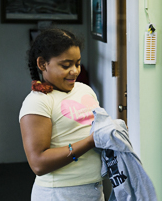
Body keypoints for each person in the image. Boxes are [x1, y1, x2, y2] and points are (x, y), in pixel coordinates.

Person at [19, 28, 103, 200]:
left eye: (77, 63)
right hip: (59, 193)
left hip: (94, 189)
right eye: (66, 65)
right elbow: (38, 164)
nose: (75, 71)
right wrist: (90, 141)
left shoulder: (85, 90)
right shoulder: (38, 102)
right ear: (42, 64)